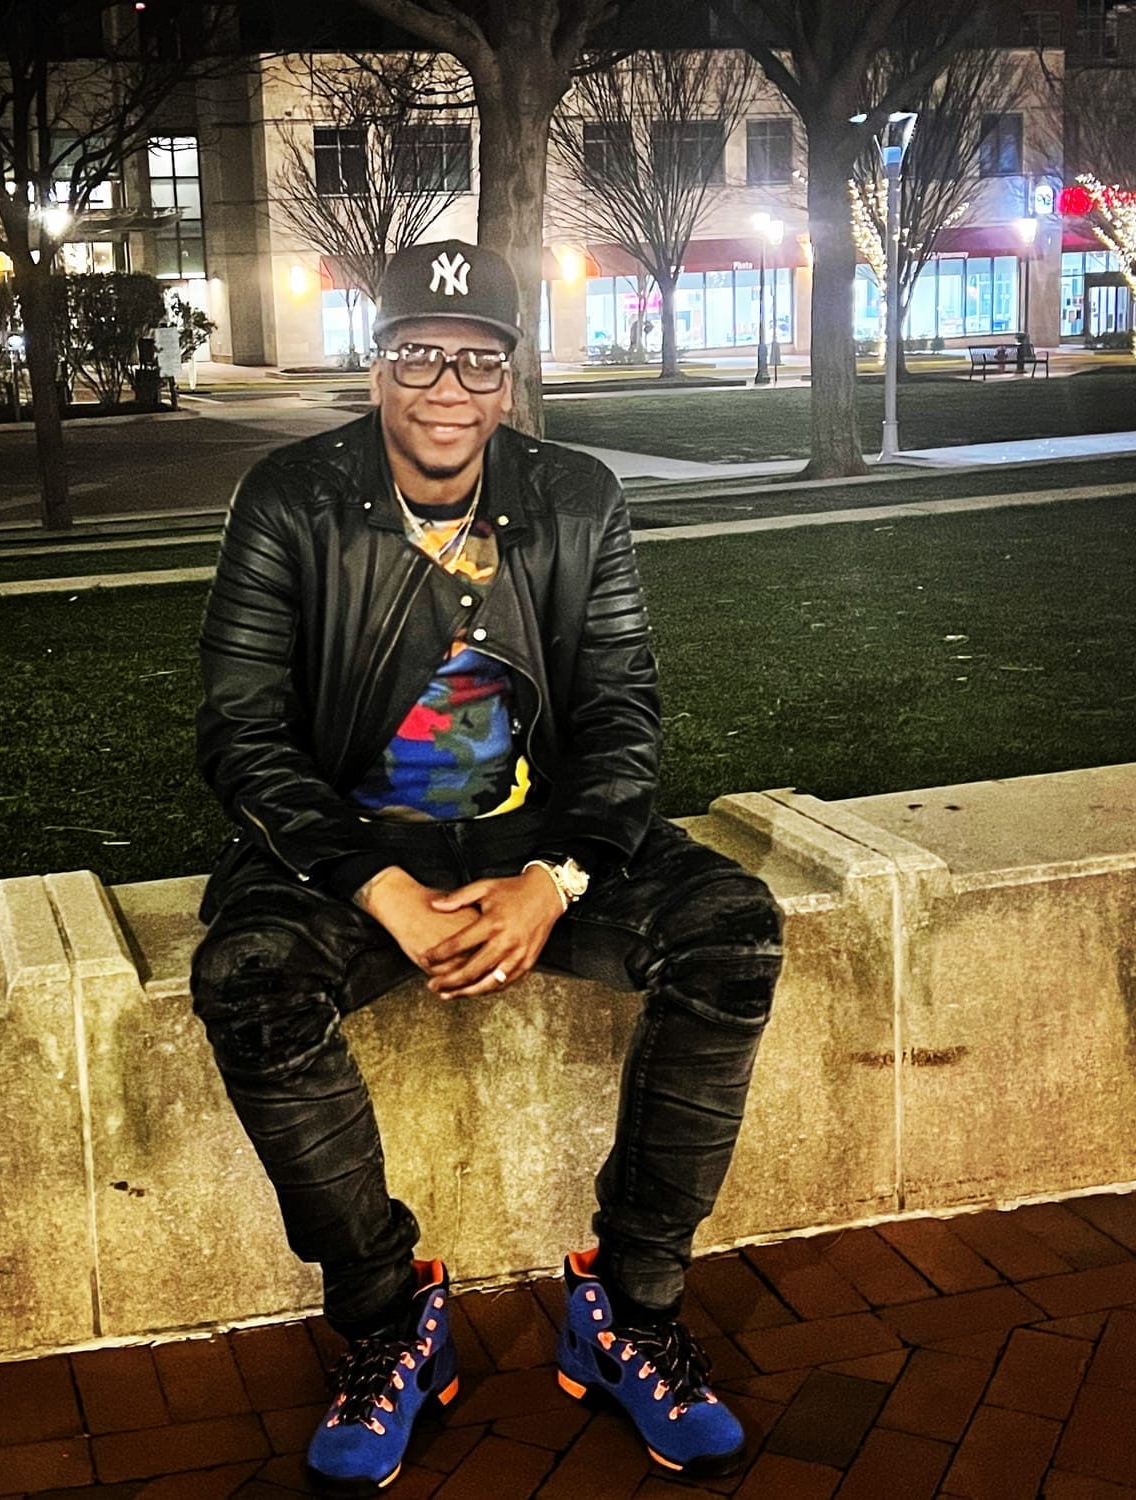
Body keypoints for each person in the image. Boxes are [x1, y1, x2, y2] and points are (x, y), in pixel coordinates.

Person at [191, 238, 784, 1493]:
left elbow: (622, 713)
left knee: (732, 933)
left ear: (510, 379)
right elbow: (241, 734)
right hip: (353, 849)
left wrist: (557, 878)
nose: (447, 388)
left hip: (532, 840)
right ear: (375, 368)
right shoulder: (289, 497)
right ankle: (386, 1316)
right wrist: (377, 887)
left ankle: (629, 1308)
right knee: (251, 981)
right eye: (418, 355)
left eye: (477, 361)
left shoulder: (576, 495)